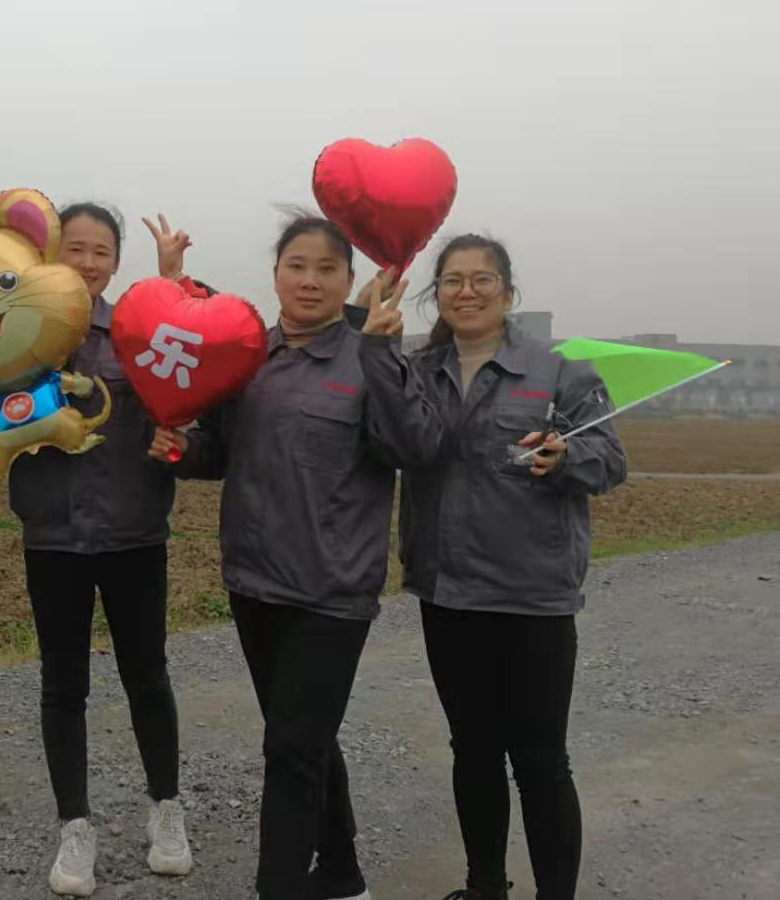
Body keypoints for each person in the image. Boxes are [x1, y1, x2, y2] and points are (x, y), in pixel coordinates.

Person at [147, 214, 443, 900]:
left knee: (289, 747)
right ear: (276, 274)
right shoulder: (248, 352)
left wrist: (382, 355)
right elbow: (221, 451)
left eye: (327, 268)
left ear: (349, 279)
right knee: (302, 736)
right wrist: (182, 451)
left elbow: (416, 448)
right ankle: (341, 873)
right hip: (254, 579)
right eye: (297, 265)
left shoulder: (371, 353)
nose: (311, 280)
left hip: (331, 591)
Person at [0, 206, 198, 897]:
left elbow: (190, 388)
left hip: (134, 533)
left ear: (116, 262)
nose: (89, 263)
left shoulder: (139, 331)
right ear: (51, 257)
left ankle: (167, 809)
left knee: (147, 676)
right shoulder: (16, 333)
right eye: (76, 249)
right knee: (63, 686)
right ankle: (74, 826)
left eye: (102, 252)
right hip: (53, 537)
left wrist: (173, 286)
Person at [391, 235, 626, 900]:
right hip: (447, 590)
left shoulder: (560, 372)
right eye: (452, 280)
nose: (466, 291)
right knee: (473, 750)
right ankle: (485, 886)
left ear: (508, 292)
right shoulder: (419, 371)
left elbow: (610, 460)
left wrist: (567, 457)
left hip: (533, 595)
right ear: (437, 293)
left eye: (482, 279)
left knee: (541, 760)